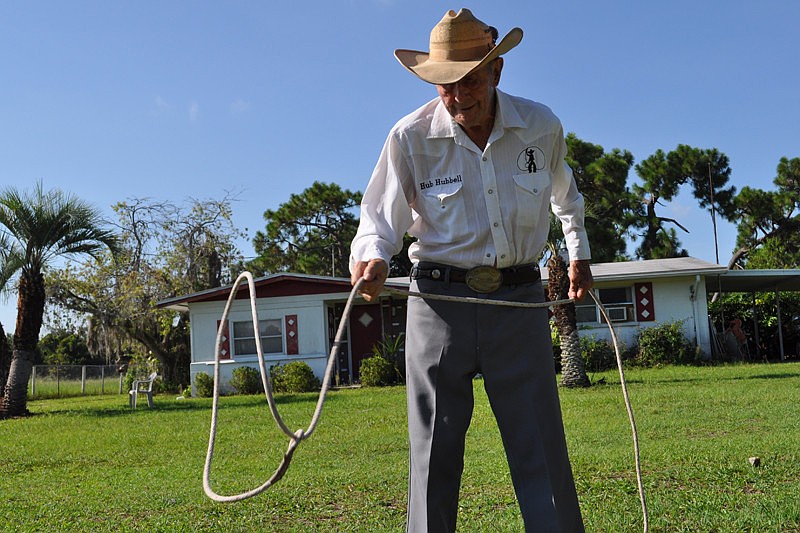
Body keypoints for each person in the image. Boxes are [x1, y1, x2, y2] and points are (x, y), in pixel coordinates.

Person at [349, 8, 593, 532]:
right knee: (433, 457)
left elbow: (565, 197)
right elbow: (379, 218)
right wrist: (371, 257)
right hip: (439, 306)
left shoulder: (541, 126)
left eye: (470, 81)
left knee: (541, 450)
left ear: (497, 71)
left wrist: (578, 253)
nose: (458, 98)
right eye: (445, 87)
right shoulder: (409, 137)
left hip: (521, 303)